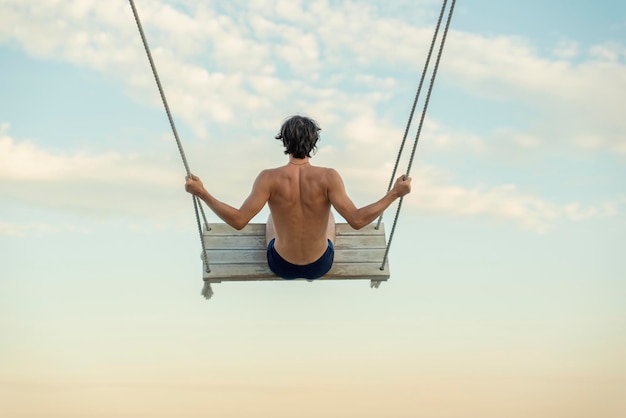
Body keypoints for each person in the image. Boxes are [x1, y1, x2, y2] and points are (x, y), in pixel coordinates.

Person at [185, 115, 411, 280]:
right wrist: (394, 193)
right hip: (320, 265)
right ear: (314, 143)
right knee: (329, 215)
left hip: (281, 265)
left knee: (272, 218)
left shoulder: (268, 178)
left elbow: (238, 221)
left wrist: (202, 192)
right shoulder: (329, 177)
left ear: (284, 142)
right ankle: (313, 255)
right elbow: (357, 220)